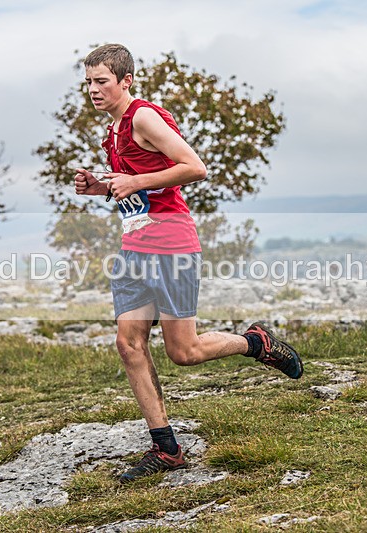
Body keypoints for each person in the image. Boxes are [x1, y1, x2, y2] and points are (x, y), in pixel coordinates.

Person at [73, 44, 303, 483]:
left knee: (184, 351)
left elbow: (194, 167)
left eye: (101, 81)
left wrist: (135, 179)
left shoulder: (142, 116)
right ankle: (167, 449)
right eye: (88, 82)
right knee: (128, 345)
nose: (93, 89)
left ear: (126, 81)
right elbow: (139, 191)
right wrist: (101, 188)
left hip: (171, 244)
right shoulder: (114, 131)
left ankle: (256, 343)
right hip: (135, 247)